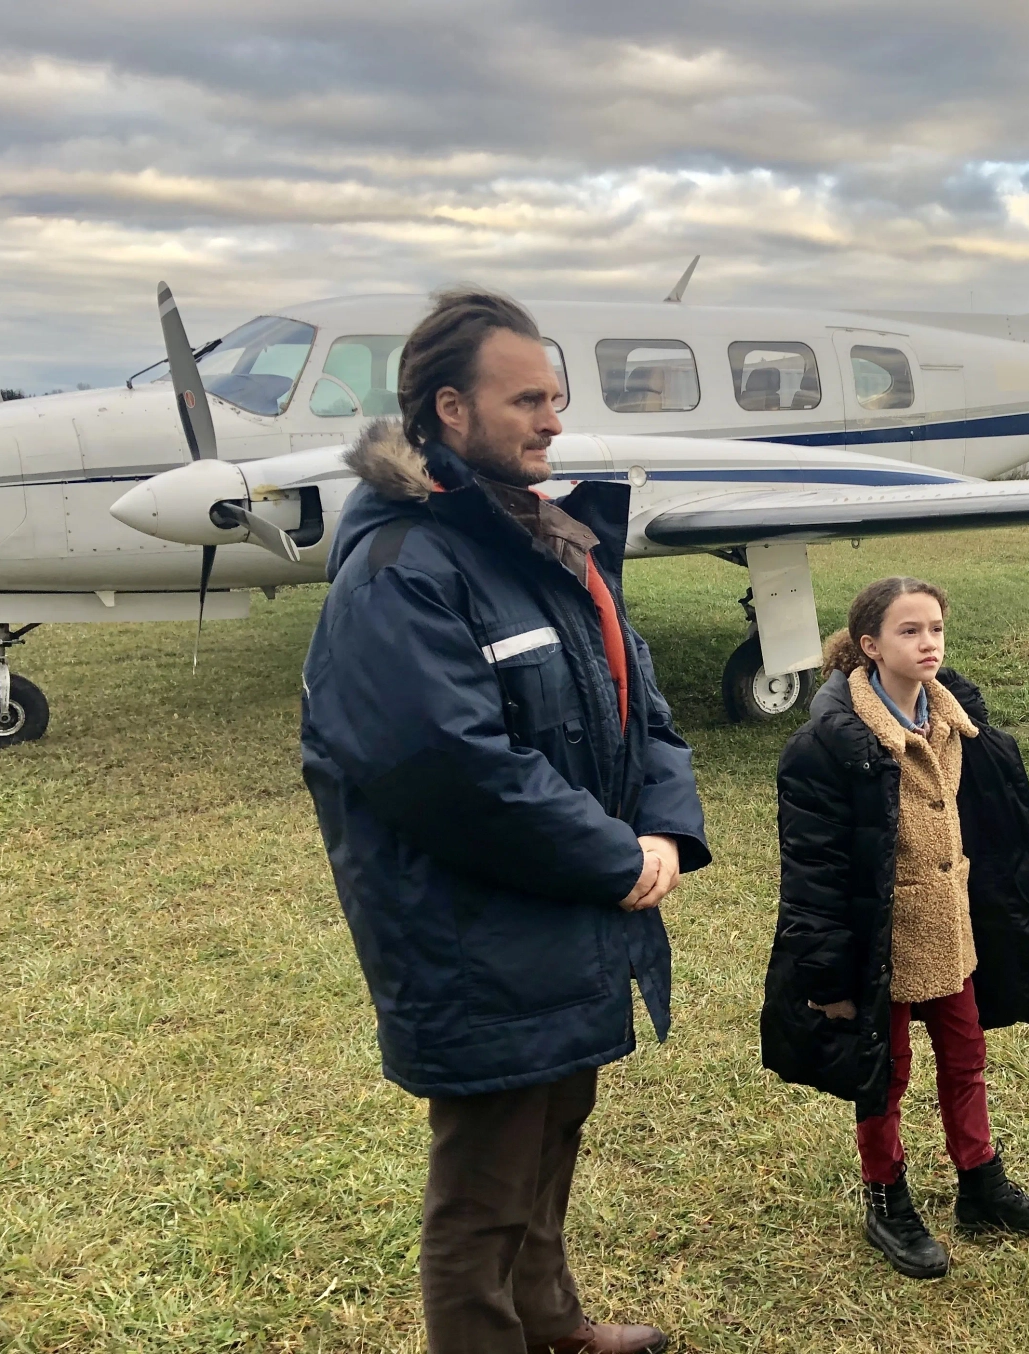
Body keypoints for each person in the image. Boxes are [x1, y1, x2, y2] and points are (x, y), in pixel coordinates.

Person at [301, 287, 708, 1354]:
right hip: (474, 933)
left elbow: (642, 707)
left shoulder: (546, 538)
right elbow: (445, 768)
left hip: (570, 912)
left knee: (555, 1135)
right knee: (482, 1189)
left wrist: (663, 829)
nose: (554, 421)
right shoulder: (401, 571)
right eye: (528, 399)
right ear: (448, 410)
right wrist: (610, 854)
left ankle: (552, 1320)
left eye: (557, 398)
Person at [760, 577, 1029, 1279]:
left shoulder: (961, 725)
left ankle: (981, 1185)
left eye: (935, 628)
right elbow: (812, 874)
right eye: (909, 631)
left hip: (952, 933)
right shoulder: (827, 746)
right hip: (884, 945)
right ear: (869, 646)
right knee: (886, 1075)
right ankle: (886, 1197)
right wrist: (829, 977)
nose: (927, 642)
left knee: (966, 1059)